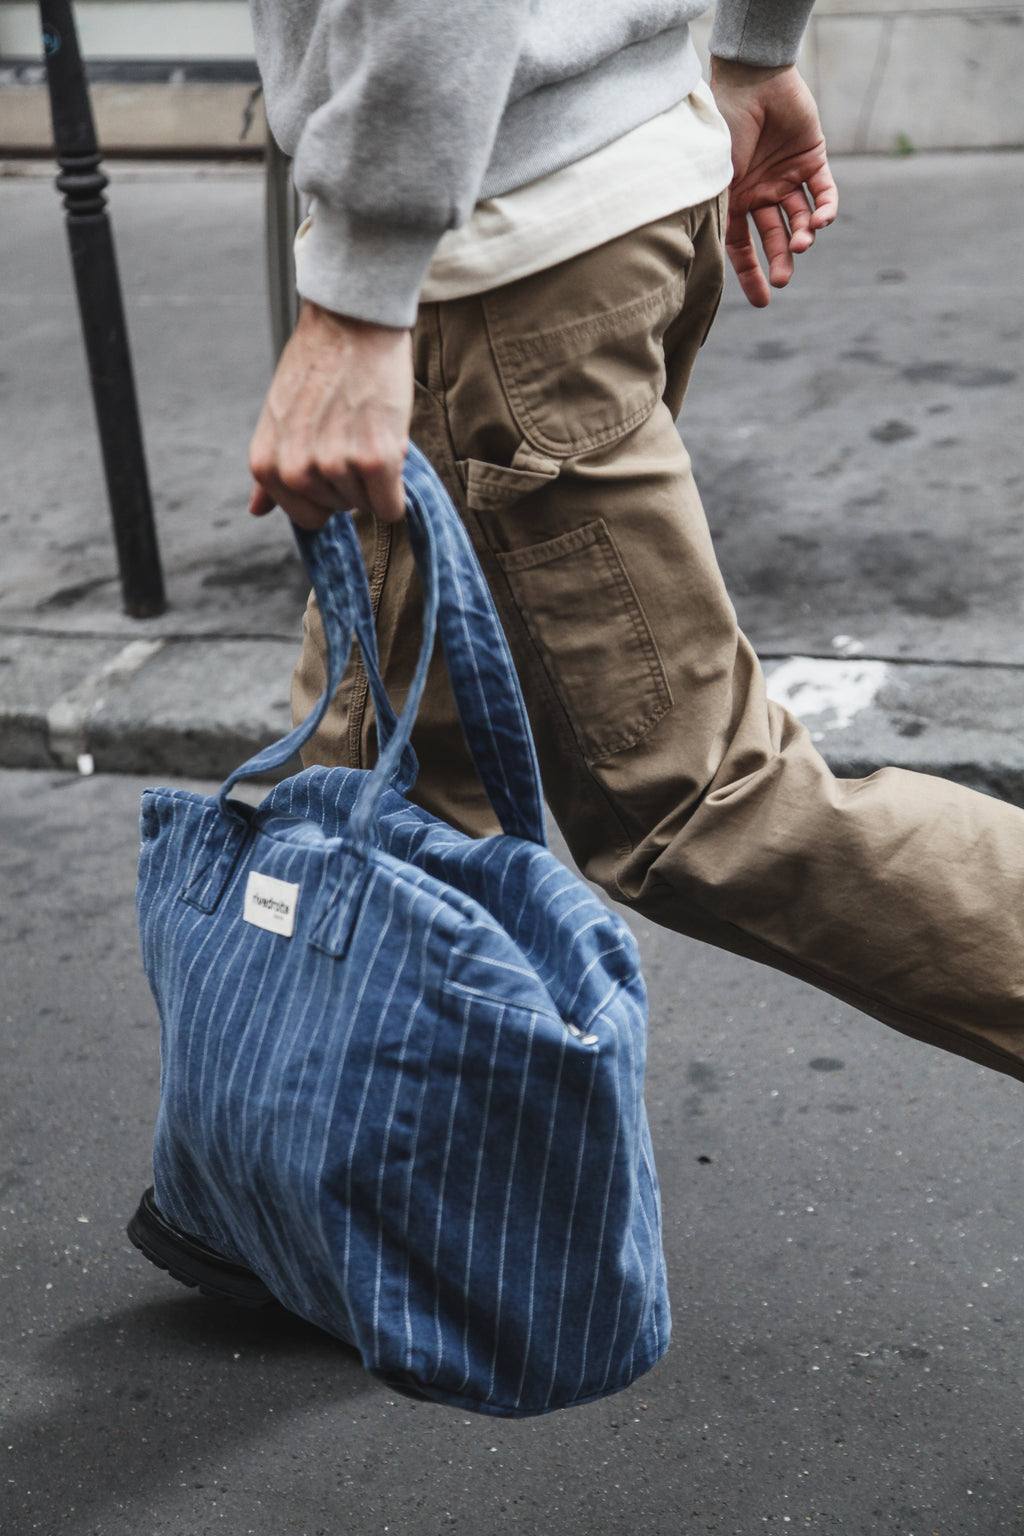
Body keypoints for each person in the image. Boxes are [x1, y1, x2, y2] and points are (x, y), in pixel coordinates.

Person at [246, 0, 1024, 1084]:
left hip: (494, 252)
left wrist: (359, 296)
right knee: (387, 755)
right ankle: (333, 1161)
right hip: (622, 190)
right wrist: (755, 45)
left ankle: (319, 1162)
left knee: (694, 801)